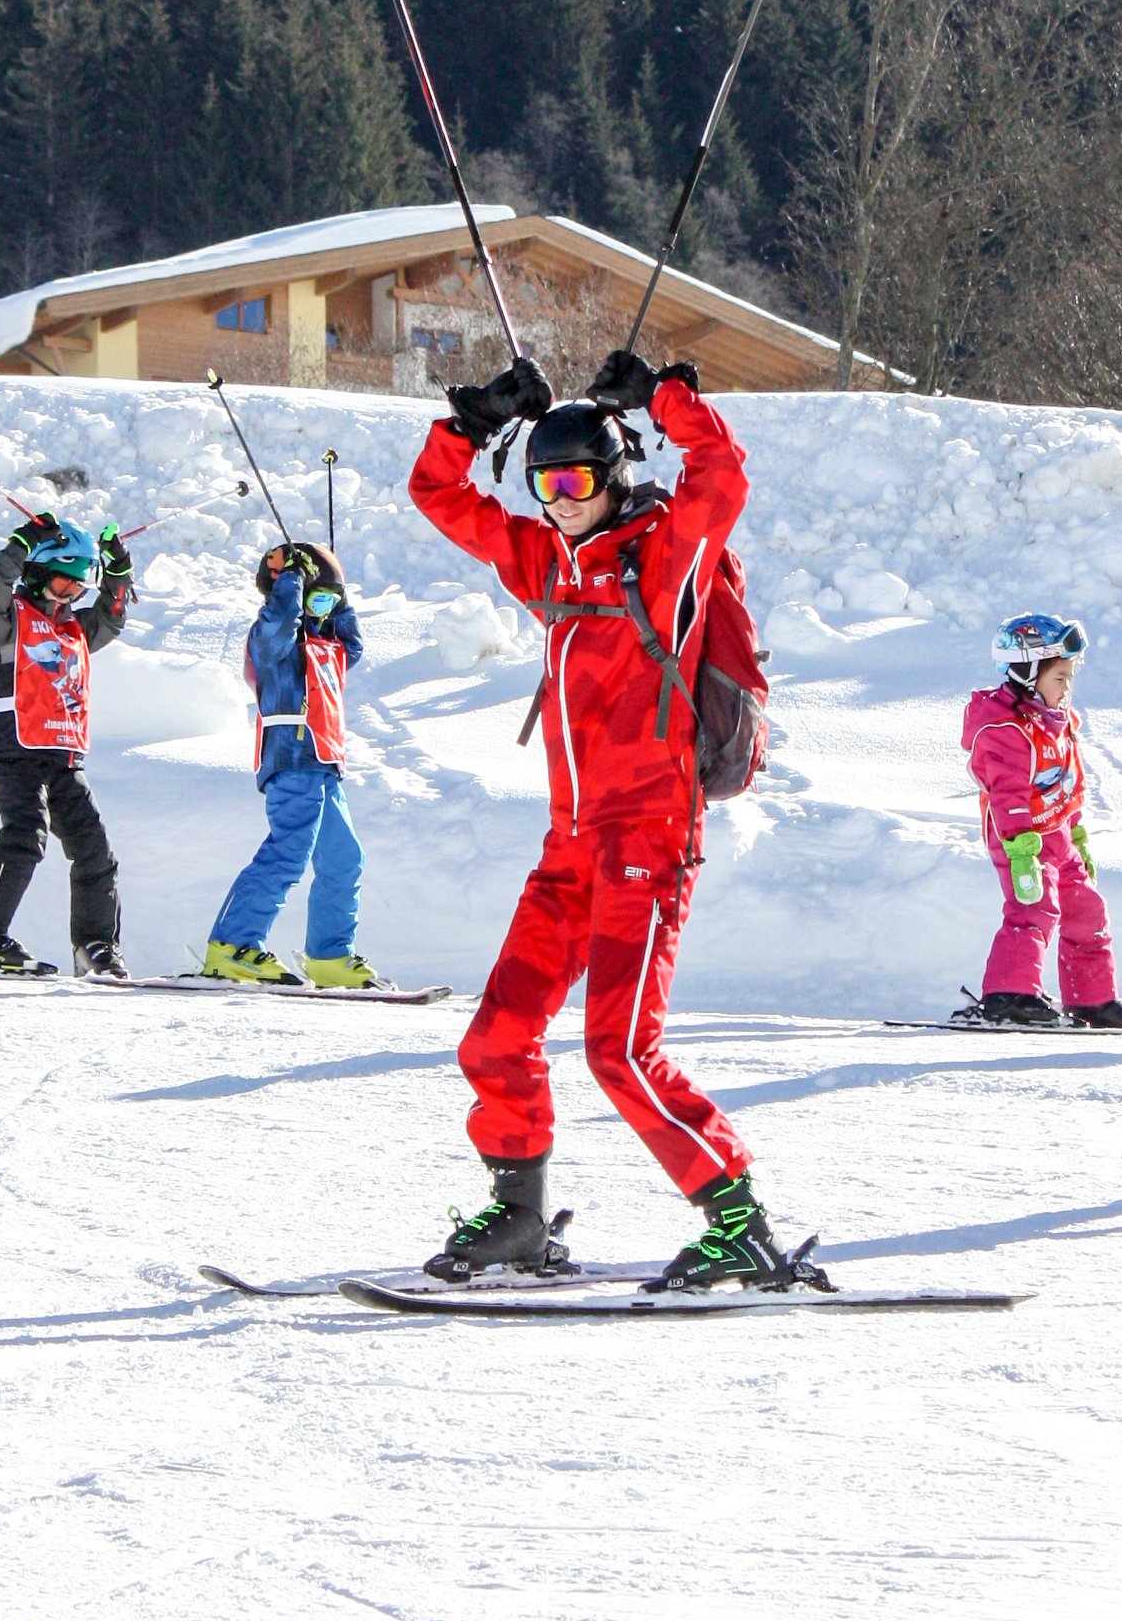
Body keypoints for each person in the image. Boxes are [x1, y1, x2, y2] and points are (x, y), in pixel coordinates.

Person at [408, 348, 791, 1290]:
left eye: (575, 477)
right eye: (542, 482)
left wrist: (662, 400)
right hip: (570, 846)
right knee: (496, 1035)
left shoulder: (665, 555)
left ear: (613, 475)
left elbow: (722, 475)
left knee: (618, 1047)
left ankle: (737, 1218)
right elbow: (441, 499)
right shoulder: (546, 558)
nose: (557, 498)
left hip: (648, 840)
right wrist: (469, 425)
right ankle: (518, 1219)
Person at [0, 513, 132, 975]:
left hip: (62, 754)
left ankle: (96, 946)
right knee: (25, 838)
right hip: (16, 748)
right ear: (39, 574)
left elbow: (113, 615)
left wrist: (119, 570)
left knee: (95, 850)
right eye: (64, 587)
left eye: (78, 591)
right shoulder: (9, 620)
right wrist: (22, 543)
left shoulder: (74, 629)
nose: (71, 597)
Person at [204, 542, 382, 988]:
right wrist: (292, 581)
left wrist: (337, 594)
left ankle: (329, 955)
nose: (324, 610)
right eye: (315, 599)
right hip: (291, 755)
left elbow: (353, 643)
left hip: (324, 763)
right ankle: (232, 946)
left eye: (330, 602)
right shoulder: (274, 642)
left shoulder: (330, 647)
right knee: (289, 851)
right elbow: (281, 622)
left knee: (344, 858)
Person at [960, 613, 1122, 1028]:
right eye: (1059, 677)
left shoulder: (1059, 723)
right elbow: (1007, 793)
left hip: (1058, 834)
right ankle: (1010, 994)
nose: (1067, 688)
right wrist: (1022, 851)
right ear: (1026, 673)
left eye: (1069, 677)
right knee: (1034, 908)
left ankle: (1092, 998)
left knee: (1087, 910)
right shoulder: (1004, 730)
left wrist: (1077, 832)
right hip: (1019, 837)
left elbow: (1070, 779)